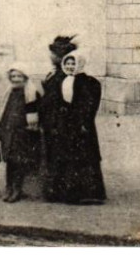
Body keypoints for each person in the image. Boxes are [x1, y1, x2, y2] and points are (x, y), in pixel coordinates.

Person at [45, 51, 106, 205]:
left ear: (79, 64)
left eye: (73, 64)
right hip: (63, 124)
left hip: (80, 125)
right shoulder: (56, 80)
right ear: (63, 65)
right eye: (67, 64)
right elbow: (51, 101)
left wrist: (83, 121)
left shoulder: (89, 82)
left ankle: (86, 193)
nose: (70, 67)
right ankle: (61, 192)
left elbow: (90, 105)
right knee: (63, 155)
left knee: (83, 157)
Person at [39, 34, 78, 200]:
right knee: (52, 154)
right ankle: (54, 188)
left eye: (53, 54)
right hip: (50, 120)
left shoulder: (62, 77)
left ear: (60, 57)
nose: (50, 57)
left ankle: (58, 190)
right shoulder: (54, 74)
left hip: (58, 122)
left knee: (58, 155)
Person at [0, 62, 41, 203]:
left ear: (25, 77)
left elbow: (36, 114)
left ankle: (17, 189)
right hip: (7, 131)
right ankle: (8, 187)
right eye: (13, 76)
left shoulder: (31, 93)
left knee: (19, 161)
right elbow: (3, 113)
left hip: (23, 133)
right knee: (9, 160)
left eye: (19, 76)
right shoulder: (8, 92)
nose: (15, 79)